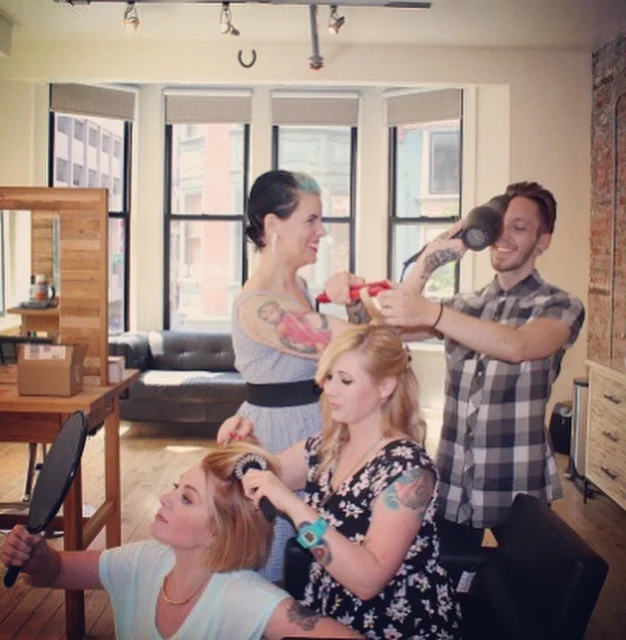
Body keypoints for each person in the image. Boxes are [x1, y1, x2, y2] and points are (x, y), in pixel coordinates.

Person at [374, 180, 586, 553]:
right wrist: (429, 260)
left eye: (519, 227)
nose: (504, 235)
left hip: (519, 483)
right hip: (454, 481)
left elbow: (518, 346)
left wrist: (432, 313)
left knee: (525, 586)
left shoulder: (560, 305)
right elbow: (389, 334)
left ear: (542, 242)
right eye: (499, 225)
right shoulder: (463, 306)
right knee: (444, 580)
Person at [0, 441, 361, 640]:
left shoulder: (246, 598)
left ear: (219, 531)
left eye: (187, 498)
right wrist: (37, 558)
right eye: (177, 487)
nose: (164, 498)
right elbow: (56, 571)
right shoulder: (143, 561)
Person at [240, 325, 462, 639]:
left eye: (345, 380)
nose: (330, 390)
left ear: (385, 386)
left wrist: (293, 505)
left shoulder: (408, 469)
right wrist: (243, 443)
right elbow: (259, 477)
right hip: (329, 612)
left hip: (396, 624)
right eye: (329, 377)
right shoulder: (327, 447)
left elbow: (368, 581)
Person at [219, 169, 363, 582]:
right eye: (311, 220)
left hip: (318, 424)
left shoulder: (300, 287)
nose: (322, 231)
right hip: (278, 435)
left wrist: (353, 303)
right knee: (279, 561)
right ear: (273, 225)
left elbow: (354, 355)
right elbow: (364, 347)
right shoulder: (256, 307)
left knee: (320, 552)